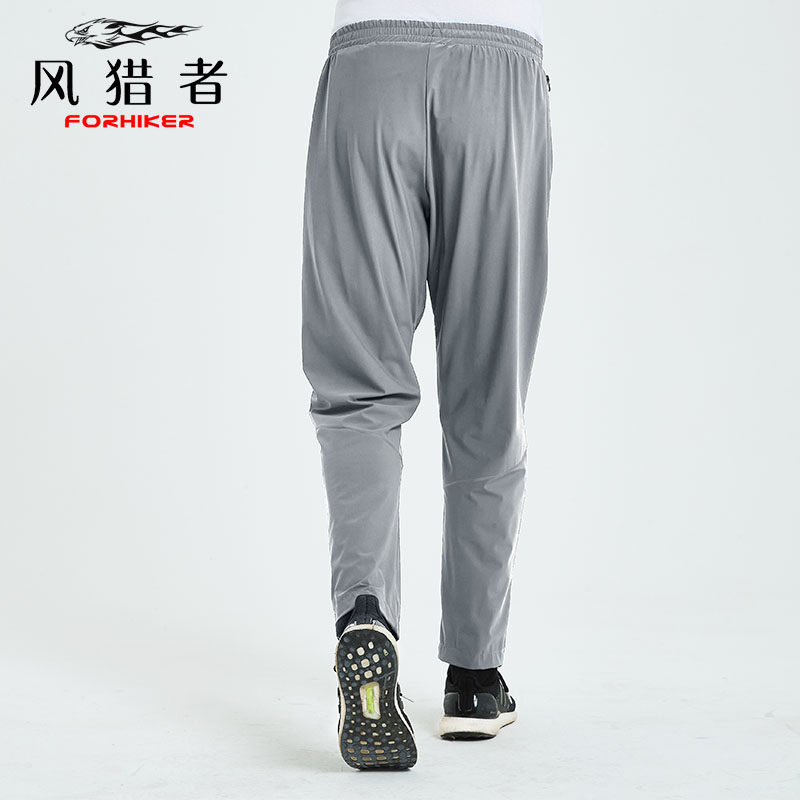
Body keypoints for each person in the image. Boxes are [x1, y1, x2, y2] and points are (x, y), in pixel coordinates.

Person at [301, 0, 552, 769]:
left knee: (360, 391)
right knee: (487, 391)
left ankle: (366, 613)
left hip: (370, 64)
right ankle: (474, 678)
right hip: (499, 72)